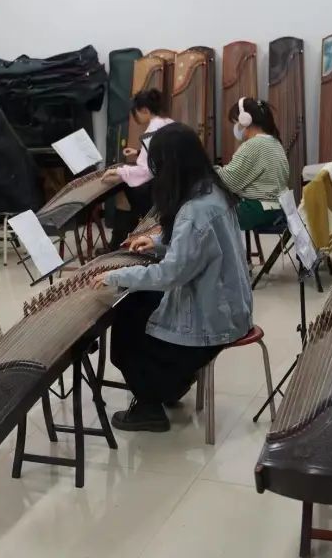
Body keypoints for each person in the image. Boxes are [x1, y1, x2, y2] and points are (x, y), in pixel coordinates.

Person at [93, 123, 252, 432]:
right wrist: (158, 243)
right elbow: (200, 250)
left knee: (127, 324)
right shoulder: (213, 190)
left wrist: (116, 275)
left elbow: (170, 274)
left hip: (212, 322)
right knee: (140, 303)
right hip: (231, 308)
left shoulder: (194, 210)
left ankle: (151, 404)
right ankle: (170, 385)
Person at [103, 88, 174, 248]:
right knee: (128, 184)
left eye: (136, 112)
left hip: (162, 188)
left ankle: (119, 242)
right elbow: (160, 155)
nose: (135, 116)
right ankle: (120, 240)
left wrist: (119, 171)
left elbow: (145, 171)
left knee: (123, 189)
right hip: (174, 182)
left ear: (145, 110)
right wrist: (138, 152)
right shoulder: (169, 122)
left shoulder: (151, 131)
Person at [217, 97, 290, 231]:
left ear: (245, 120)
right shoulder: (275, 143)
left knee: (210, 215)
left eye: (236, 122)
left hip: (258, 211)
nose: (235, 127)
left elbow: (228, 181)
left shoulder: (253, 145)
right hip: (279, 210)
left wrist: (208, 169)